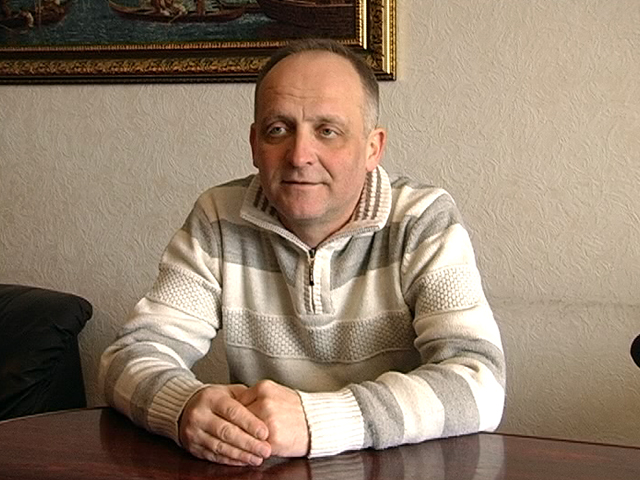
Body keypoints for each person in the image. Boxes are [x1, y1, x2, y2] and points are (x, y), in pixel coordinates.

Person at [99, 38, 506, 467]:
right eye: (279, 129)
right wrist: (184, 407)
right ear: (254, 144)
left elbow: (479, 383)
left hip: (393, 468)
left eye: (327, 131)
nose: (299, 155)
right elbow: (128, 357)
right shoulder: (219, 217)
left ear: (373, 147)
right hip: (262, 464)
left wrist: (318, 420)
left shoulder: (421, 219)